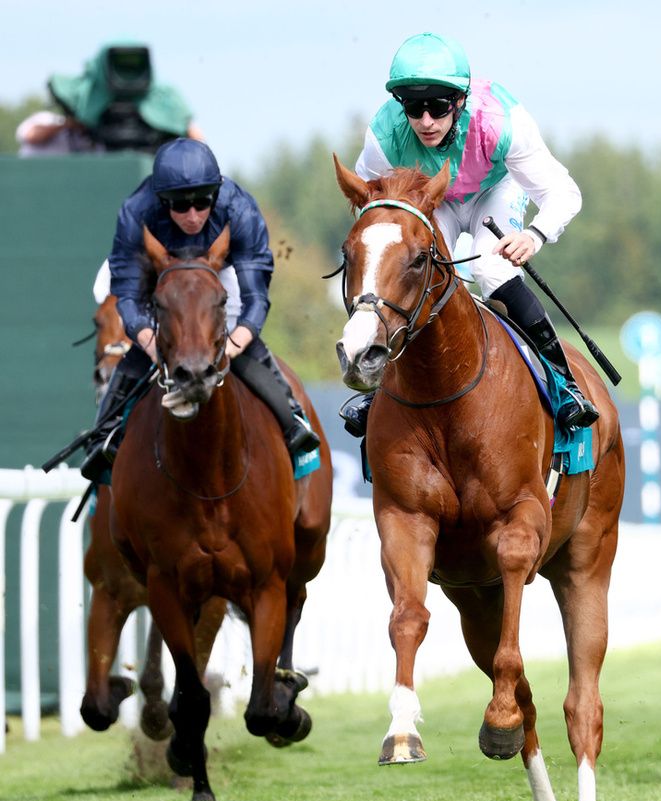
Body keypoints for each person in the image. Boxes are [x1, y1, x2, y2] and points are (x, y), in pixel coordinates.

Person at [345, 31, 594, 436]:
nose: (426, 121)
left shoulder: (501, 121)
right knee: (415, 271)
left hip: (493, 192)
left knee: (490, 267)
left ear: (459, 100)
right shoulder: (384, 133)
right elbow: (372, 205)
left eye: (438, 107)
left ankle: (563, 384)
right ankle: (379, 388)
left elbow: (563, 192)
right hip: (431, 201)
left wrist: (535, 235)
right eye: (413, 107)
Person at [79, 138, 320, 483]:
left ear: (216, 193)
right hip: (156, 270)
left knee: (235, 331)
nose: (192, 215)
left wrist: (230, 347)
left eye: (202, 203)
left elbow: (255, 300)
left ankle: (291, 420)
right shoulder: (136, 211)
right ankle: (105, 434)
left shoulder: (239, 209)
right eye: (180, 205)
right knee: (139, 341)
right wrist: (153, 346)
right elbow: (128, 299)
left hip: (219, 270)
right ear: (161, 201)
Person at [16, 42, 201, 157]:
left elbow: (197, 138)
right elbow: (31, 136)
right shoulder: (48, 120)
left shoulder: (102, 141)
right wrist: (71, 124)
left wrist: (178, 124)